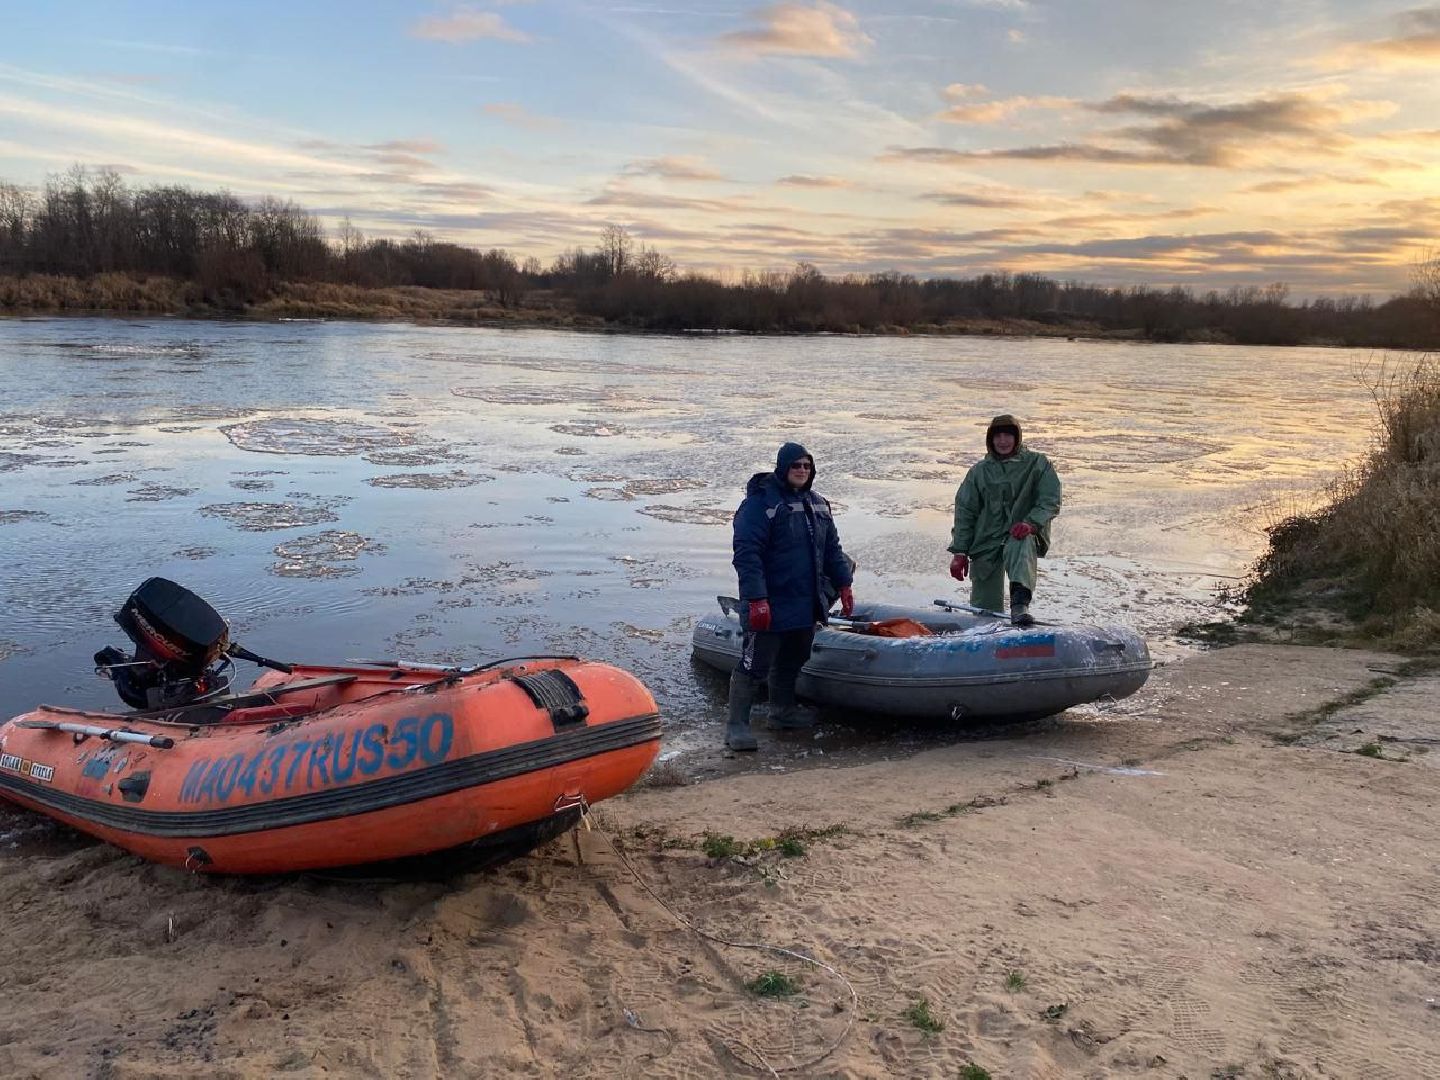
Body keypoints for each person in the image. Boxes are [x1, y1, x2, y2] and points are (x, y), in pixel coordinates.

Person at [727, 442, 854, 751]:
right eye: (796, 466)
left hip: (804, 600)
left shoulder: (819, 504)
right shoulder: (760, 504)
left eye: (806, 466)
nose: (801, 471)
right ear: (782, 468)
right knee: (754, 662)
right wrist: (757, 599)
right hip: (770, 600)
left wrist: (844, 584)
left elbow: (833, 550)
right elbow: (747, 554)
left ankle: (782, 712)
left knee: (794, 657)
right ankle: (737, 727)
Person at [947, 414, 1061, 626]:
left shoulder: (1038, 464)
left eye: (1008, 435)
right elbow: (965, 512)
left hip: (1020, 533)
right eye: (997, 436)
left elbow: (1050, 500)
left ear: (1017, 438)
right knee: (984, 610)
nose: (1003, 441)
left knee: (1020, 542)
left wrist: (1031, 523)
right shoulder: (979, 472)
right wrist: (960, 552)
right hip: (985, 541)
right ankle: (985, 638)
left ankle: (1019, 605)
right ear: (990, 440)